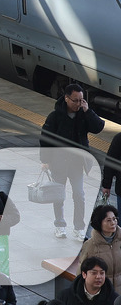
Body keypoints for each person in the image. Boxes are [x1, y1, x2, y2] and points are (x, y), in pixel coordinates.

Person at [43, 83, 105, 240]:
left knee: (79, 194)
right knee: (59, 195)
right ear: (66, 98)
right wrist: (45, 160)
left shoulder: (84, 113)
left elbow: (98, 127)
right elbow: (45, 138)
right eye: (75, 100)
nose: (78, 104)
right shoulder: (55, 116)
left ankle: (79, 227)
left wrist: (88, 110)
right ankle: (60, 225)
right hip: (59, 163)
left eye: (81, 100)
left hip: (77, 163)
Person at [81, 205, 121, 291]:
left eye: (114, 219)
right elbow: (81, 273)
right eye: (108, 220)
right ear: (99, 223)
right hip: (101, 294)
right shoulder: (90, 245)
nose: (113, 223)